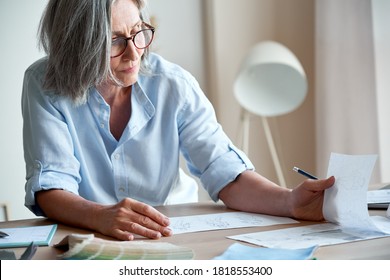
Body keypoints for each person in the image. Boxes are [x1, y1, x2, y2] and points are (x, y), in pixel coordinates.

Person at [22, 0, 335, 241]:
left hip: (172, 236)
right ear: (78, 45)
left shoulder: (173, 83)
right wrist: (99, 215)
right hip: (87, 239)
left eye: (137, 33)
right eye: (114, 41)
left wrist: (291, 201)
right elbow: (51, 185)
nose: (134, 54)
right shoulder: (44, 84)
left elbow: (224, 171)